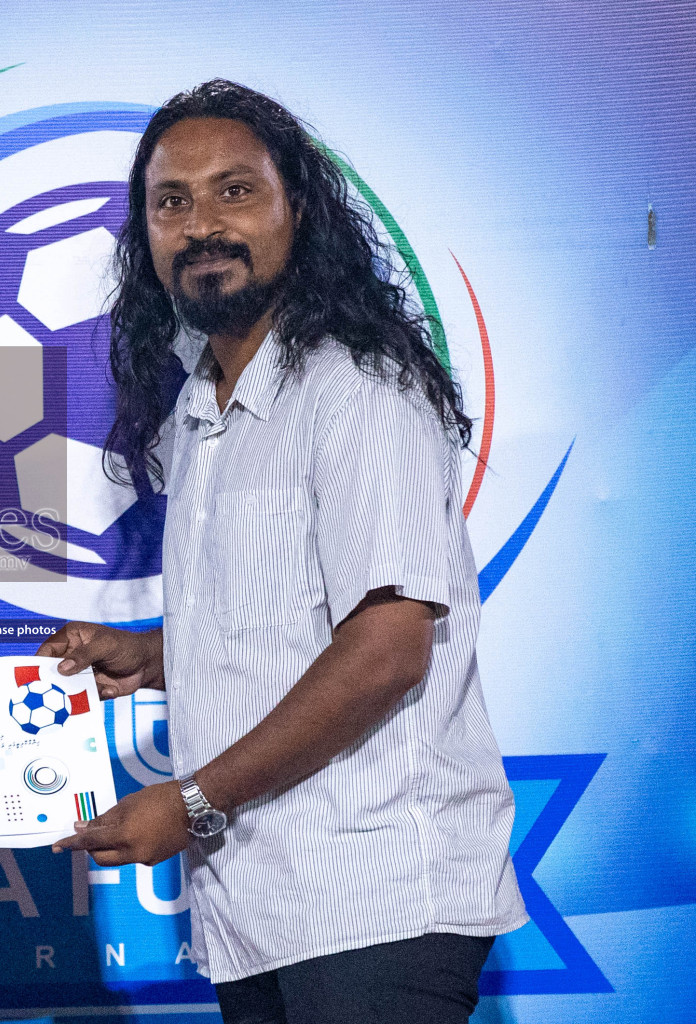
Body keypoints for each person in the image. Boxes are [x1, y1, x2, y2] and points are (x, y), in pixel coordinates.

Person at [44, 80, 526, 1023]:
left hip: (377, 901)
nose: (200, 225)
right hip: (259, 907)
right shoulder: (200, 408)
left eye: (236, 191)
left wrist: (187, 804)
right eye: (170, 201)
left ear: (297, 210)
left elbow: (387, 649)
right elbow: (293, 618)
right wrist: (151, 657)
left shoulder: (357, 388)